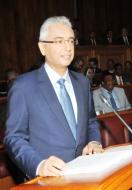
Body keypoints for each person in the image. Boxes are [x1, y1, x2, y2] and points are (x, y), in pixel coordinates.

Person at [4, 16, 103, 179]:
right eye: (59, 41)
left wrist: (94, 142)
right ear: (42, 47)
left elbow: (91, 121)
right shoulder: (23, 86)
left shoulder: (83, 82)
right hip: (47, 180)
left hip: (85, 173)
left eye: (71, 41)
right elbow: (14, 137)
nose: (68, 47)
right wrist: (38, 165)